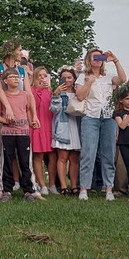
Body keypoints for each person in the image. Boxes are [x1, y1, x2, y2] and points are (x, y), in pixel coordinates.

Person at [75, 48, 127, 201]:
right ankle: (84, 188)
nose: (97, 60)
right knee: (88, 153)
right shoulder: (83, 78)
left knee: (108, 153)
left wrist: (115, 60)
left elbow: (123, 80)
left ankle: (108, 188)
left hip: (108, 118)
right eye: (94, 57)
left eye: (100, 57)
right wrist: (89, 82)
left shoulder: (109, 77)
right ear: (88, 60)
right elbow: (80, 96)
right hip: (90, 117)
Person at [0, 68, 42, 202]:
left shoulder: (25, 95)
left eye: (17, 77)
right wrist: (6, 121)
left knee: (25, 162)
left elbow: (26, 111)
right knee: (7, 162)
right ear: (5, 81)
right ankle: (7, 191)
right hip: (8, 134)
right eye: (12, 77)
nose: (16, 79)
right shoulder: (2, 97)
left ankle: (28, 191)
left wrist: (32, 121)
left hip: (23, 133)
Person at [50, 67, 80, 195]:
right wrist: (56, 94)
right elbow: (54, 110)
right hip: (63, 126)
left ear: (74, 79)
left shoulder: (78, 91)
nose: (67, 80)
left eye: (70, 77)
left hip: (77, 125)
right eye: (64, 78)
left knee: (74, 157)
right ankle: (63, 186)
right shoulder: (57, 92)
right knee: (62, 157)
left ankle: (74, 186)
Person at [30, 67, 53, 196]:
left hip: (49, 126)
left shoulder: (49, 91)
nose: (42, 78)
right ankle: (42, 184)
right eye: (40, 75)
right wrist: (39, 89)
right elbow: (35, 106)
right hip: (37, 126)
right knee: (38, 156)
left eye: (45, 75)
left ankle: (52, 184)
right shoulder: (32, 90)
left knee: (51, 156)